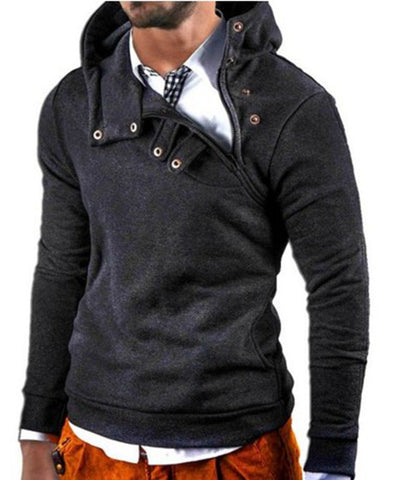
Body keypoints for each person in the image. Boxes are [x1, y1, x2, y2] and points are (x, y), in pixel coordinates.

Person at [18, 1, 369, 479]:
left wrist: (333, 458)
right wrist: (37, 431)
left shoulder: (290, 106)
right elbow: (62, 267)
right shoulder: (75, 103)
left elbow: (339, 283)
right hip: (89, 448)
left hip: (237, 453)